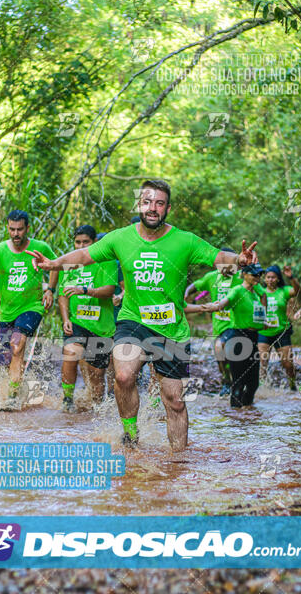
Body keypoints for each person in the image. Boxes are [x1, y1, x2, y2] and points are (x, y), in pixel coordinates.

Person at [27, 179, 258, 451]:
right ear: (139, 204)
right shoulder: (120, 237)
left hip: (172, 329)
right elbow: (85, 255)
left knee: (174, 400)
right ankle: (130, 434)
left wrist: (238, 260)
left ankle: (178, 461)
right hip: (133, 321)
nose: (152, 208)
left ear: (168, 208)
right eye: (147, 202)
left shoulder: (184, 241)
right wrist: (54, 263)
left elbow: (215, 256)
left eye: (159, 203)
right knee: (124, 376)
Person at [0, 210, 57, 411]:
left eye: (20, 229)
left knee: (17, 345)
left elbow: (56, 266)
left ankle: (12, 398)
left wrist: (51, 291)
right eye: (12, 229)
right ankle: (19, 388)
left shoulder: (40, 247)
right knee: (8, 356)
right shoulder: (0, 250)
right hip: (7, 311)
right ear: (7, 228)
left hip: (32, 306)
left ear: (27, 228)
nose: (15, 233)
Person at [58, 225, 118, 410]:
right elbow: (63, 294)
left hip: (101, 327)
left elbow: (108, 291)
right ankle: (67, 400)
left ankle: (98, 409)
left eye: (86, 242)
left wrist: (84, 290)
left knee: (96, 376)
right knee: (70, 352)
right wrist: (66, 318)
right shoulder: (70, 264)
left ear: (94, 243)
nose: (81, 246)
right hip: (77, 322)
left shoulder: (107, 262)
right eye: (78, 242)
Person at [203, 263, 267, 408]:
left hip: (252, 339)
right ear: (244, 274)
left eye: (259, 275)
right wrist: (217, 306)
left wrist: (264, 317)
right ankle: (235, 420)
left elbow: (264, 296)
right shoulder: (237, 290)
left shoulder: (255, 291)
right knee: (239, 382)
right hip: (238, 339)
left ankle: (247, 414)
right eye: (254, 275)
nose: (258, 277)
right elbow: (227, 300)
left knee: (253, 383)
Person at [184, 248, 242, 397]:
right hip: (219, 325)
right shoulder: (211, 277)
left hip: (237, 323)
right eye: (220, 265)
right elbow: (195, 286)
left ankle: (237, 383)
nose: (224, 268)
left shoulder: (241, 277)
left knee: (229, 352)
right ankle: (226, 382)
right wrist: (185, 294)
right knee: (220, 355)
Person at [257, 265, 300, 390]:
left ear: (278, 279)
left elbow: (296, 290)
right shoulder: (260, 291)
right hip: (263, 332)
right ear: (264, 279)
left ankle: (292, 385)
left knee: (287, 363)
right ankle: (261, 389)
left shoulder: (284, 291)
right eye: (268, 277)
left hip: (282, 332)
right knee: (262, 362)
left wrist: (291, 277)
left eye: (273, 277)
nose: (270, 280)